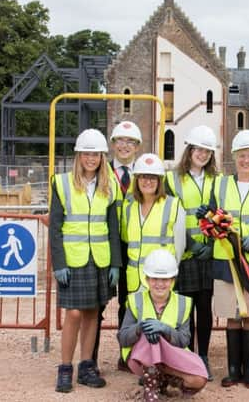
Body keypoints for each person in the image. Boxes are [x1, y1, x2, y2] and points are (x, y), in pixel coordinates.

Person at [199, 129, 249, 389]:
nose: (247, 160)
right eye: (242, 156)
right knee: (232, 315)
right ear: (235, 157)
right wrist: (206, 214)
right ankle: (233, 370)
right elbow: (211, 217)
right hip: (226, 261)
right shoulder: (220, 184)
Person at [50, 128, 121, 393]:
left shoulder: (109, 185)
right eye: (86, 153)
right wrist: (59, 264)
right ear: (79, 156)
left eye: (96, 154)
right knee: (74, 313)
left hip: (100, 259)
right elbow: (55, 227)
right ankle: (65, 368)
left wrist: (115, 262)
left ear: (102, 157)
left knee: (93, 313)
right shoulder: (62, 183)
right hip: (73, 259)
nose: (91, 159)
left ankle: (86, 366)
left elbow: (113, 227)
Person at [165, 125, 219, 381]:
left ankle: (204, 355)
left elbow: (220, 215)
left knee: (205, 308)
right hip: (184, 255)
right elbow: (171, 216)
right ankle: (185, 355)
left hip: (209, 253)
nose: (203, 154)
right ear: (189, 149)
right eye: (198, 148)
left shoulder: (216, 180)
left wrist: (211, 245)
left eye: (207, 150)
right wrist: (190, 244)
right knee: (184, 309)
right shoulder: (173, 179)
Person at [117, 249, 208, 401]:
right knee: (149, 334)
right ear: (146, 279)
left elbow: (184, 340)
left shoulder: (182, 303)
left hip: (170, 358)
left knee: (199, 379)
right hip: (142, 360)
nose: (159, 284)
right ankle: (151, 387)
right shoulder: (136, 301)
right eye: (154, 278)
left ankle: (165, 381)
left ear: (173, 281)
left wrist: (166, 330)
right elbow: (123, 338)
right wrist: (139, 328)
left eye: (165, 279)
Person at [98, 120, 142, 371]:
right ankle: (89, 360)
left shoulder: (146, 172)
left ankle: (129, 354)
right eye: (120, 141)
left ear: (137, 147)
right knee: (100, 304)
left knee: (131, 302)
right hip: (107, 247)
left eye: (131, 142)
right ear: (112, 144)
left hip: (136, 248)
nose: (125, 146)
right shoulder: (102, 172)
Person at [121, 153, 185, 294]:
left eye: (153, 177)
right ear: (136, 180)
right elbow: (127, 240)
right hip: (135, 282)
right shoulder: (129, 207)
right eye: (143, 176)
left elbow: (180, 248)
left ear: (160, 181)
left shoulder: (173, 206)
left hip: (161, 281)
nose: (147, 181)